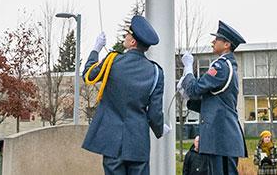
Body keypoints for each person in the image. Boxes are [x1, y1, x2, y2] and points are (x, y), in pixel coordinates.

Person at [81, 15, 167, 175]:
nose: (125, 36)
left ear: (133, 42)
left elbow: (88, 75)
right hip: (138, 142)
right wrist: (160, 129)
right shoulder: (156, 72)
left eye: (128, 34)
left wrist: (95, 50)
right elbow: (155, 113)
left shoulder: (112, 61)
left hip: (112, 142)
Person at [179, 21, 247, 175]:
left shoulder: (221, 66)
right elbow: (216, 101)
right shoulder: (228, 65)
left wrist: (188, 69)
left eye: (217, 39)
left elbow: (195, 89)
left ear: (227, 44)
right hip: (221, 137)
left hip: (221, 137)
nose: (213, 42)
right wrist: (188, 98)